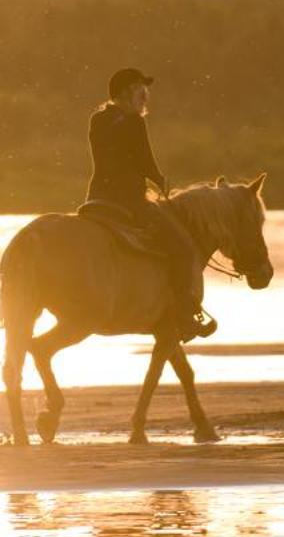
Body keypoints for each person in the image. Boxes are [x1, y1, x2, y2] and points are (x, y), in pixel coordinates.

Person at [86, 67, 215, 339]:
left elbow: (108, 158)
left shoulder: (97, 120)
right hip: (130, 201)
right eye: (139, 90)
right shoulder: (135, 122)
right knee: (183, 248)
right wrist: (160, 180)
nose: (145, 95)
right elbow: (146, 162)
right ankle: (184, 313)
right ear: (124, 93)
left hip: (97, 198)